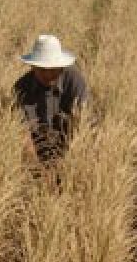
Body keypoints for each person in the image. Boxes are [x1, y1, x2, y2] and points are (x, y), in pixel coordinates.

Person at [13, 34, 90, 167]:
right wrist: (37, 169)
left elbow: (81, 125)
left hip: (71, 147)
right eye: (42, 70)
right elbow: (23, 135)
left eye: (53, 70)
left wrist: (67, 163)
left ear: (61, 66)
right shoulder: (21, 87)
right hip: (38, 152)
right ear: (32, 67)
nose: (48, 75)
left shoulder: (74, 81)